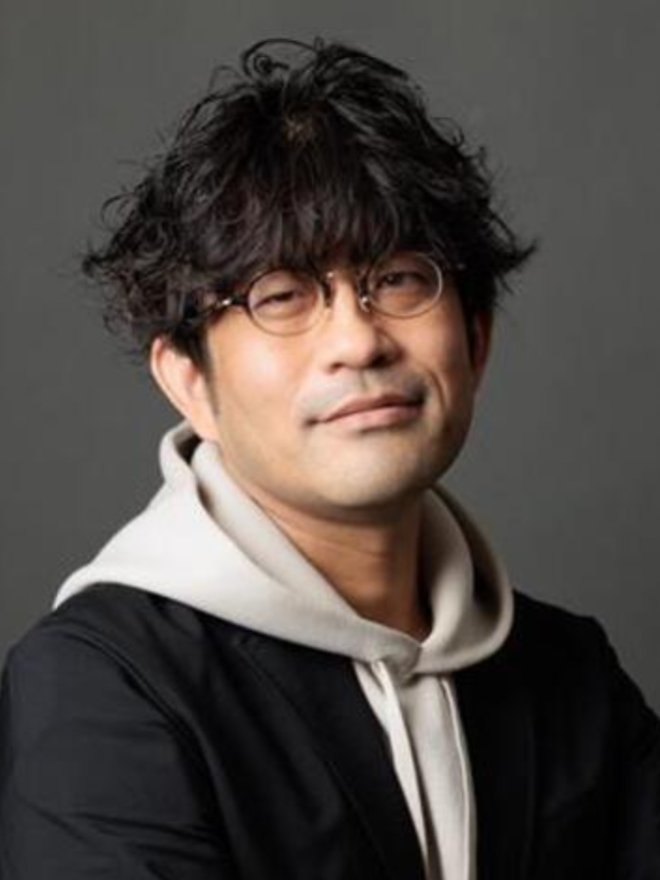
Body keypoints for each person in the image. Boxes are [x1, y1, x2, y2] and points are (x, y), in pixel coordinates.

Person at [1, 38, 658, 880]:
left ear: (477, 340)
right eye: (281, 296)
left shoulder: (572, 676)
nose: (358, 340)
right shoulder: (101, 687)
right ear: (188, 379)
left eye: (400, 279)